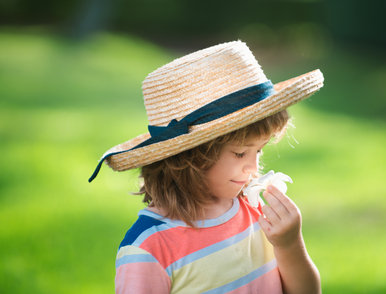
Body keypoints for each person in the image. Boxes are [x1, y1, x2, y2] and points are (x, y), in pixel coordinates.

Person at [89, 41, 324, 293]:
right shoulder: (150, 247)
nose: (253, 168)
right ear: (189, 158)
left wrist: (289, 245)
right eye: (240, 153)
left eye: (259, 150)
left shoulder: (256, 211)